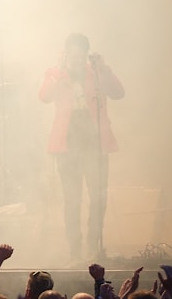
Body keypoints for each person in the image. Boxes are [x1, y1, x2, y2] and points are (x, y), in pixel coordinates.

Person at [39, 33, 125, 262]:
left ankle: (93, 248)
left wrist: (103, 68)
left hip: (94, 142)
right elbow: (44, 96)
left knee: (98, 198)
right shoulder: (57, 73)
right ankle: (75, 251)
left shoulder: (95, 72)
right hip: (67, 144)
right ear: (67, 53)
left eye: (81, 54)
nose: (77, 58)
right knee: (72, 199)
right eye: (73, 53)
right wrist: (57, 70)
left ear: (86, 53)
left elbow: (118, 92)